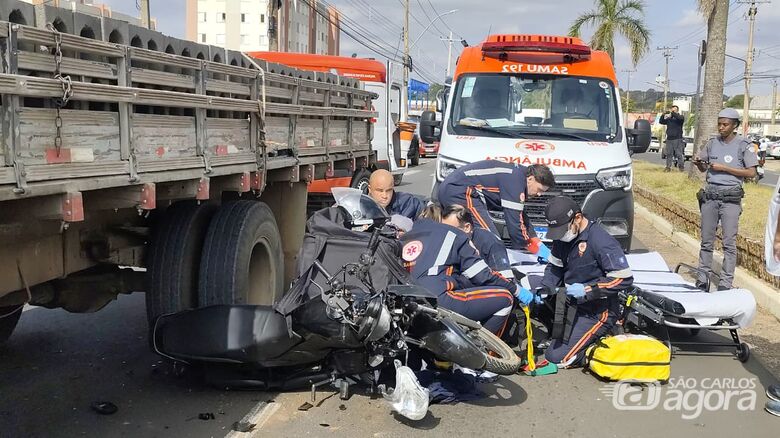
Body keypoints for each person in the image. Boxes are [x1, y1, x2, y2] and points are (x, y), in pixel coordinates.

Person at [401, 204, 534, 335]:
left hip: (404, 299)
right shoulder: (453, 234)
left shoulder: (406, 237)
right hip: (436, 298)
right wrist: (516, 290)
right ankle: (483, 352)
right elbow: (482, 275)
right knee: (505, 298)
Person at [538, 196, 634, 368]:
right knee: (534, 307)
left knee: (556, 357)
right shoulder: (563, 238)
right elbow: (555, 267)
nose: (560, 235)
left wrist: (588, 289)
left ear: (578, 217)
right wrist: (545, 287)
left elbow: (623, 278)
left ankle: (600, 342)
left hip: (597, 309)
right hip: (571, 303)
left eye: (563, 229)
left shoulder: (601, 241)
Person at [693, 108, 758, 290]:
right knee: (706, 241)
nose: (721, 127)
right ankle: (702, 279)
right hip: (710, 196)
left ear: (734, 125)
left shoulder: (743, 145)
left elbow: (751, 172)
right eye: (719, 124)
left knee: (729, 244)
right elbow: (703, 169)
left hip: (730, 199)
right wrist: (699, 162)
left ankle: (725, 284)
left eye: (725, 124)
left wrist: (725, 168)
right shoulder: (712, 143)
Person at [437, 160, 555, 259]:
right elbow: (515, 225)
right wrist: (530, 251)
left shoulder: (517, 175)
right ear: (530, 179)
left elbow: (521, 218)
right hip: (460, 190)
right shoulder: (515, 181)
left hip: (454, 188)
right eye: (539, 190)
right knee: (490, 240)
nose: (539, 195)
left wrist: (540, 246)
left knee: (475, 238)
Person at [660, 105, 685, 172]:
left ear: (677, 110)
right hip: (669, 139)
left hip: (677, 138)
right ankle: (668, 167)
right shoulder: (669, 119)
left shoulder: (680, 117)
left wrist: (673, 113)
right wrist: (663, 114)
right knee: (669, 154)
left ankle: (681, 168)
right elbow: (661, 121)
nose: (672, 111)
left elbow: (679, 118)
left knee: (679, 154)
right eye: (672, 109)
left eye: (674, 110)